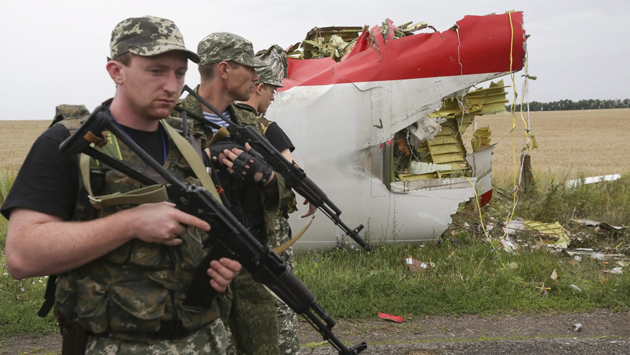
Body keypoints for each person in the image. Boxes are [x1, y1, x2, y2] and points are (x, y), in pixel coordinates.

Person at [1, 16, 241, 354]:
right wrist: (130, 223)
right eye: (156, 71)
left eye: (179, 73)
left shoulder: (190, 142)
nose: (171, 86)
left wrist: (220, 266)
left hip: (207, 341)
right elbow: (23, 255)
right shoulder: (71, 143)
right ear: (116, 71)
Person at [174, 32, 293, 355]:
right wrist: (207, 159)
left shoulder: (250, 123)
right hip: (203, 268)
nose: (256, 77)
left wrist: (268, 178)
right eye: (248, 68)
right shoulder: (174, 119)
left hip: (252, 260)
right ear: (224, 70)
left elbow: (285, 189)